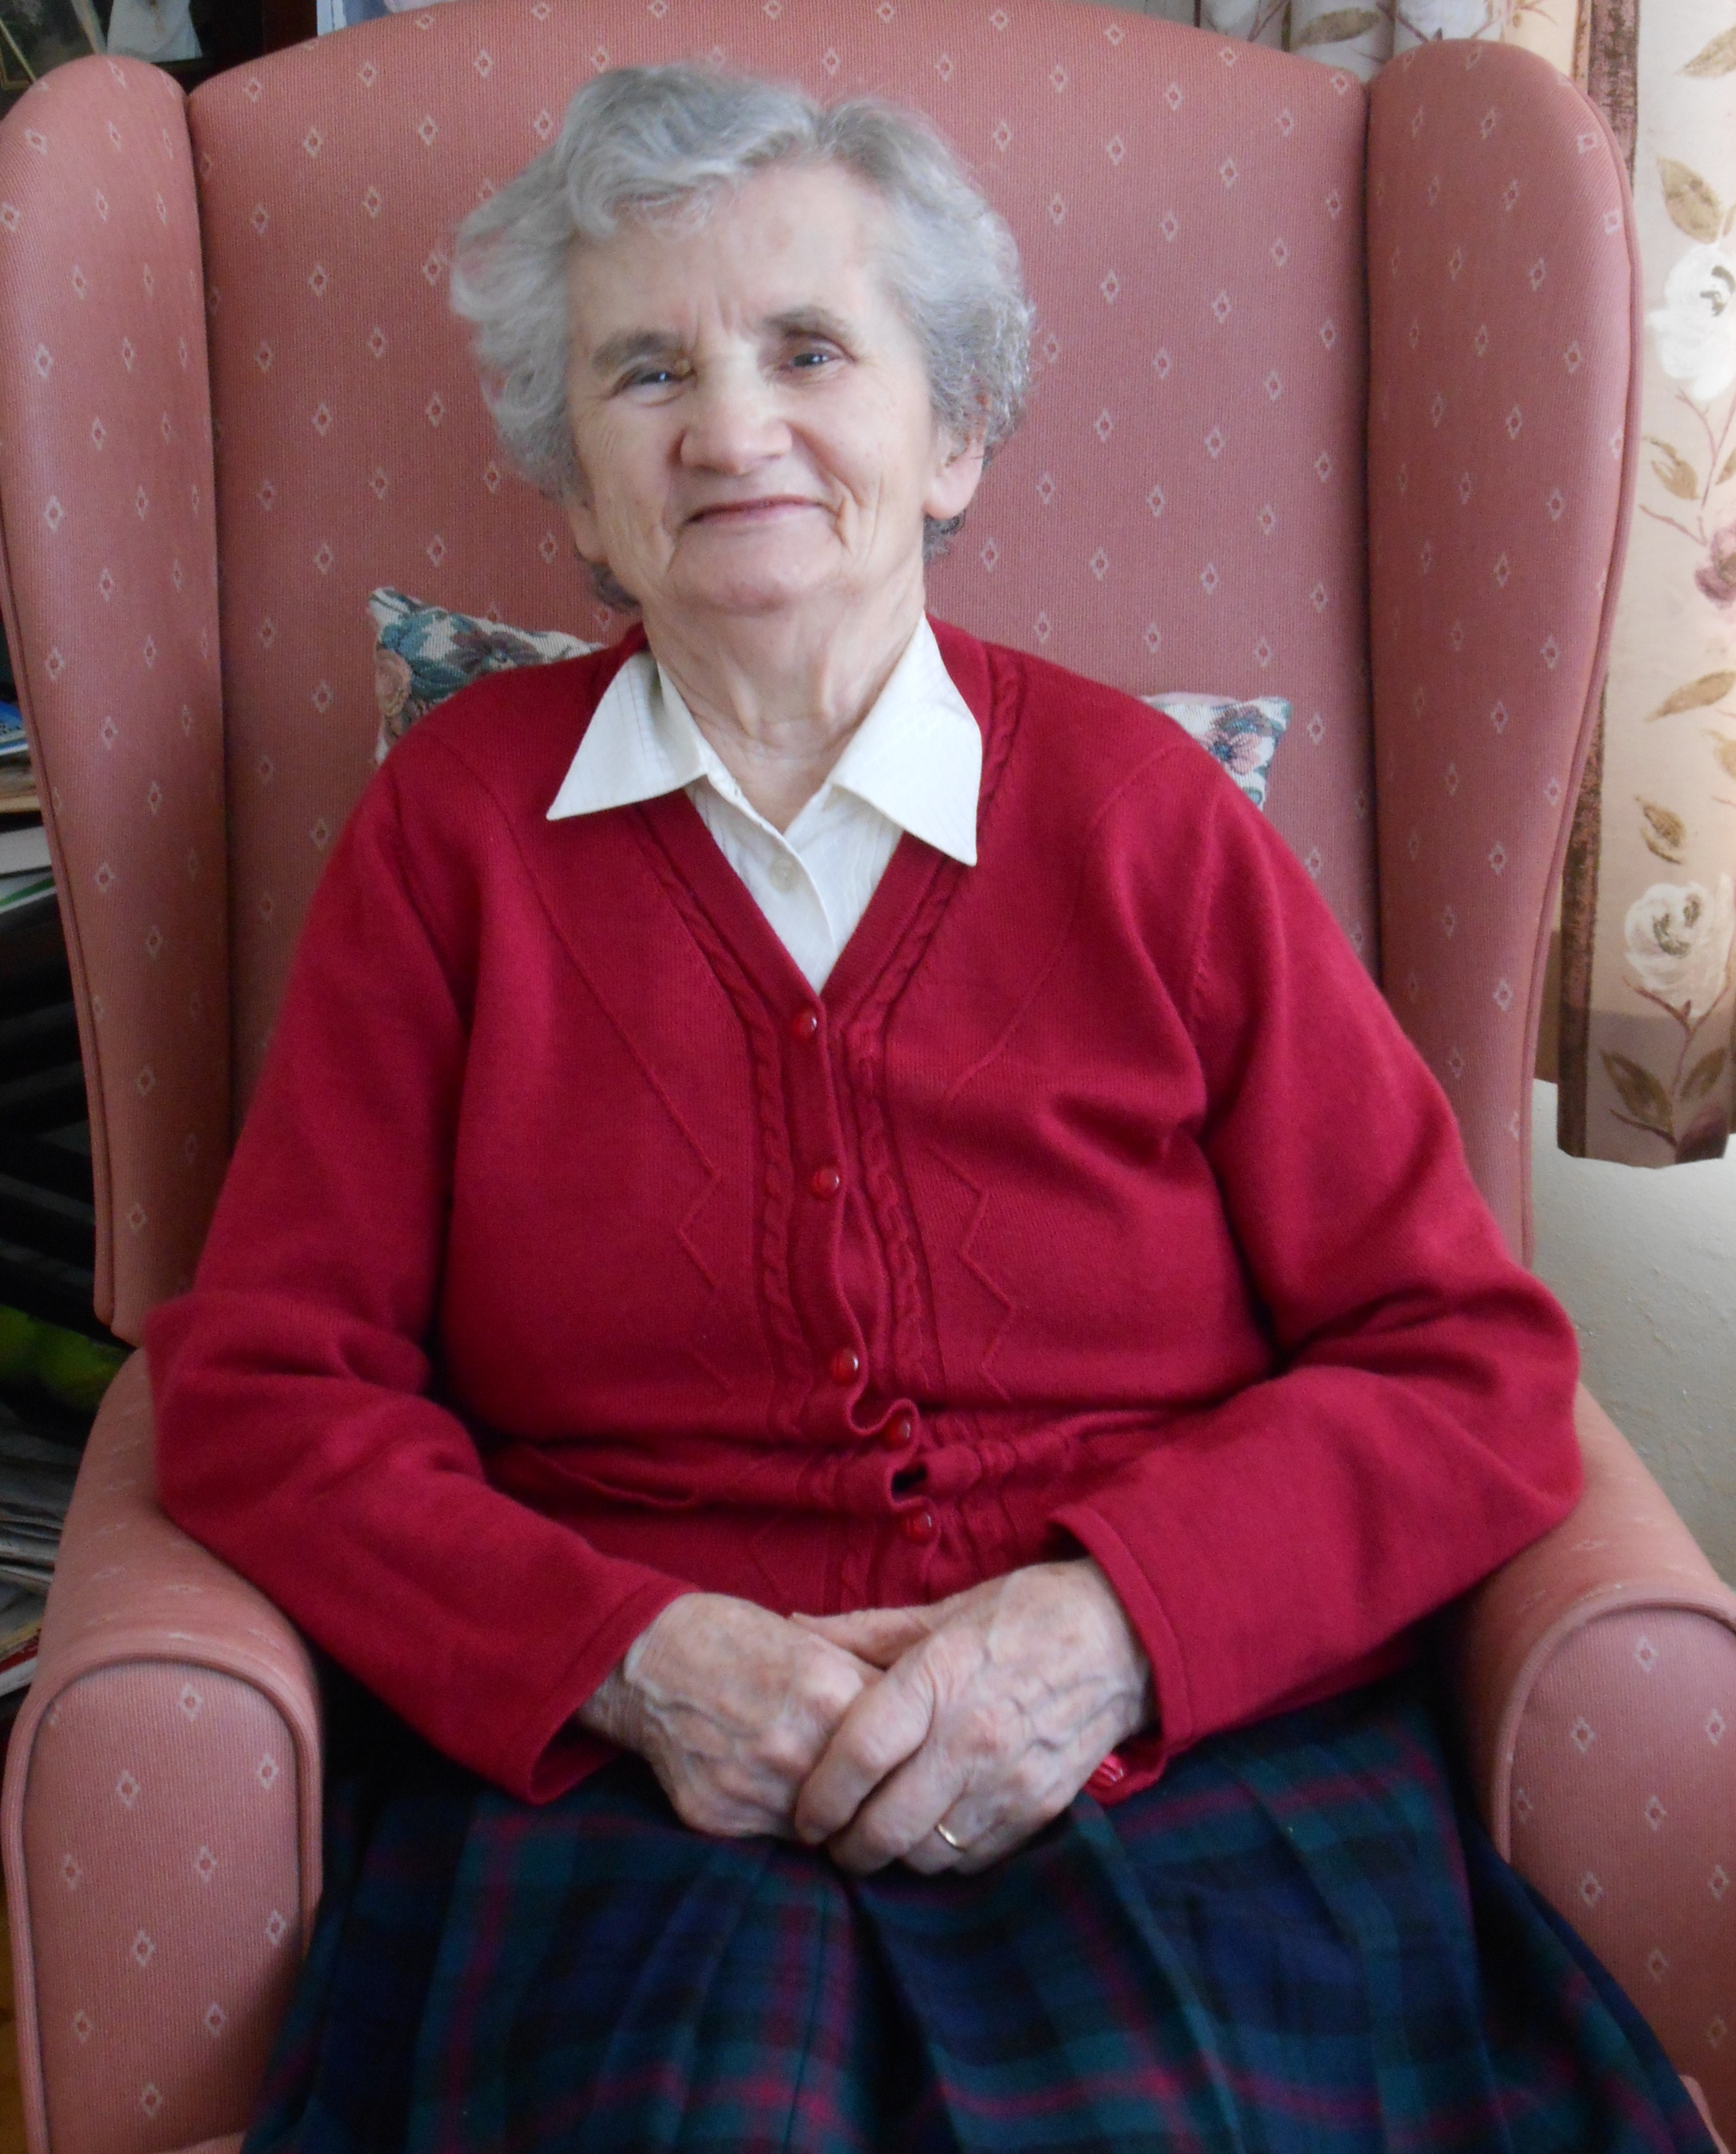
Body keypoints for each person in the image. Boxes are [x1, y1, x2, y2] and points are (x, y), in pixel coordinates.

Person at [147, 62, 1716, 2154]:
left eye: (810, 349)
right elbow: (266, 1390)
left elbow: (1464, 1364)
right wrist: (629, 1657)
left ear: (953, 433)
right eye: (646, 370)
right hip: (644, 1782)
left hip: (1170, 1755)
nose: (731, 429)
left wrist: (1112, 1630)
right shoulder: (453, 837)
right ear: (576, 491)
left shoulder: (1147, 823)